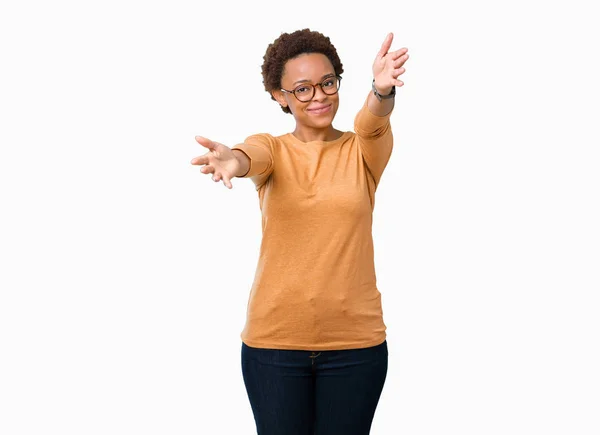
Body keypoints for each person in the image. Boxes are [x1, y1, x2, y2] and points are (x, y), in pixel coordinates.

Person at [190, 28, 409, 435]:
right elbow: (247, 158)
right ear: (280, 95)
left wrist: (380, 91)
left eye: (327, 82)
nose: (319, 96)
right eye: (302, 89)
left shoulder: (362, 150)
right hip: (274, 344)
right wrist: (231, 162)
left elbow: (372, 122)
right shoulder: (271, 149)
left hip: (355, 344)